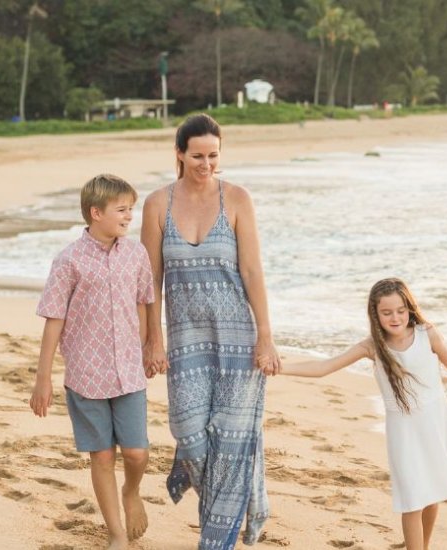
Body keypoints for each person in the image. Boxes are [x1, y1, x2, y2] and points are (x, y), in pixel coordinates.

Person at [139, 114, 281, 549]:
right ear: (179, 154)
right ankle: (251, 498)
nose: (206, 164)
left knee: (231, 441)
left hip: (239, 339)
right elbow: (150, 281)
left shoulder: (237, 199)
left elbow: (253, 271)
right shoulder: (157, 203)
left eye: (214, 155)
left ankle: (214, 541)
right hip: (184, 342)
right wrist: (153, 339)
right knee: (191, 437)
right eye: (198, 155)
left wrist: (266, 335)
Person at [281, 278, 447, 550]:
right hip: (404, 430)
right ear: (375, 314)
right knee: (413, 498)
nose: (395, 317)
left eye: (401, 310)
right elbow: (325, 367)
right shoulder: (372, 346)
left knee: (433, 491)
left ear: (410, 308)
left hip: (436, 421)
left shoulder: (427, 334)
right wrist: (279, 367)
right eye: (387, 312)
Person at [30, 174, 156, 550]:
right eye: (122, 210)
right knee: (101, 456)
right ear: (95, 213)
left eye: (131, 209)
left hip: (129, 371)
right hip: (86, 374)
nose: (129, 216)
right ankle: (116, 534)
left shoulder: (136, 254)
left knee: (136, 452)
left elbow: (144, 302)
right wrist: (43, 378)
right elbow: (55, 319)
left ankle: (131, 491)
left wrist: (149, 347)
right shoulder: (69, 260)